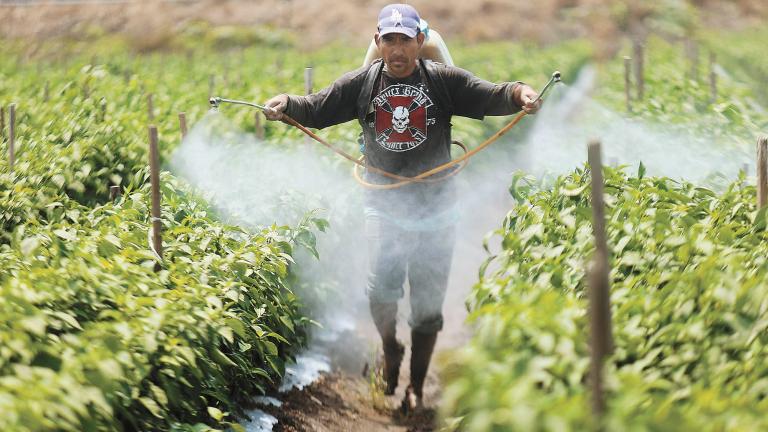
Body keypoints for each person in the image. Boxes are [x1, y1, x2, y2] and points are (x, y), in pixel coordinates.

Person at [263, 3, 541, 413]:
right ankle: (391, 348)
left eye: (405, 39)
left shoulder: (442, 81)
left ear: (419, 41)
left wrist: (520, 93)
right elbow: (317, 108)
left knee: (428, 308)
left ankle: (414, 386)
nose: (397, 48)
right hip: (384, 204)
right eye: (389, 39)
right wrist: (286, 102)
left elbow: (490, 92)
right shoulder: (362, 84)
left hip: (437, 209)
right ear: (378, 42)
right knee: (381, 291)